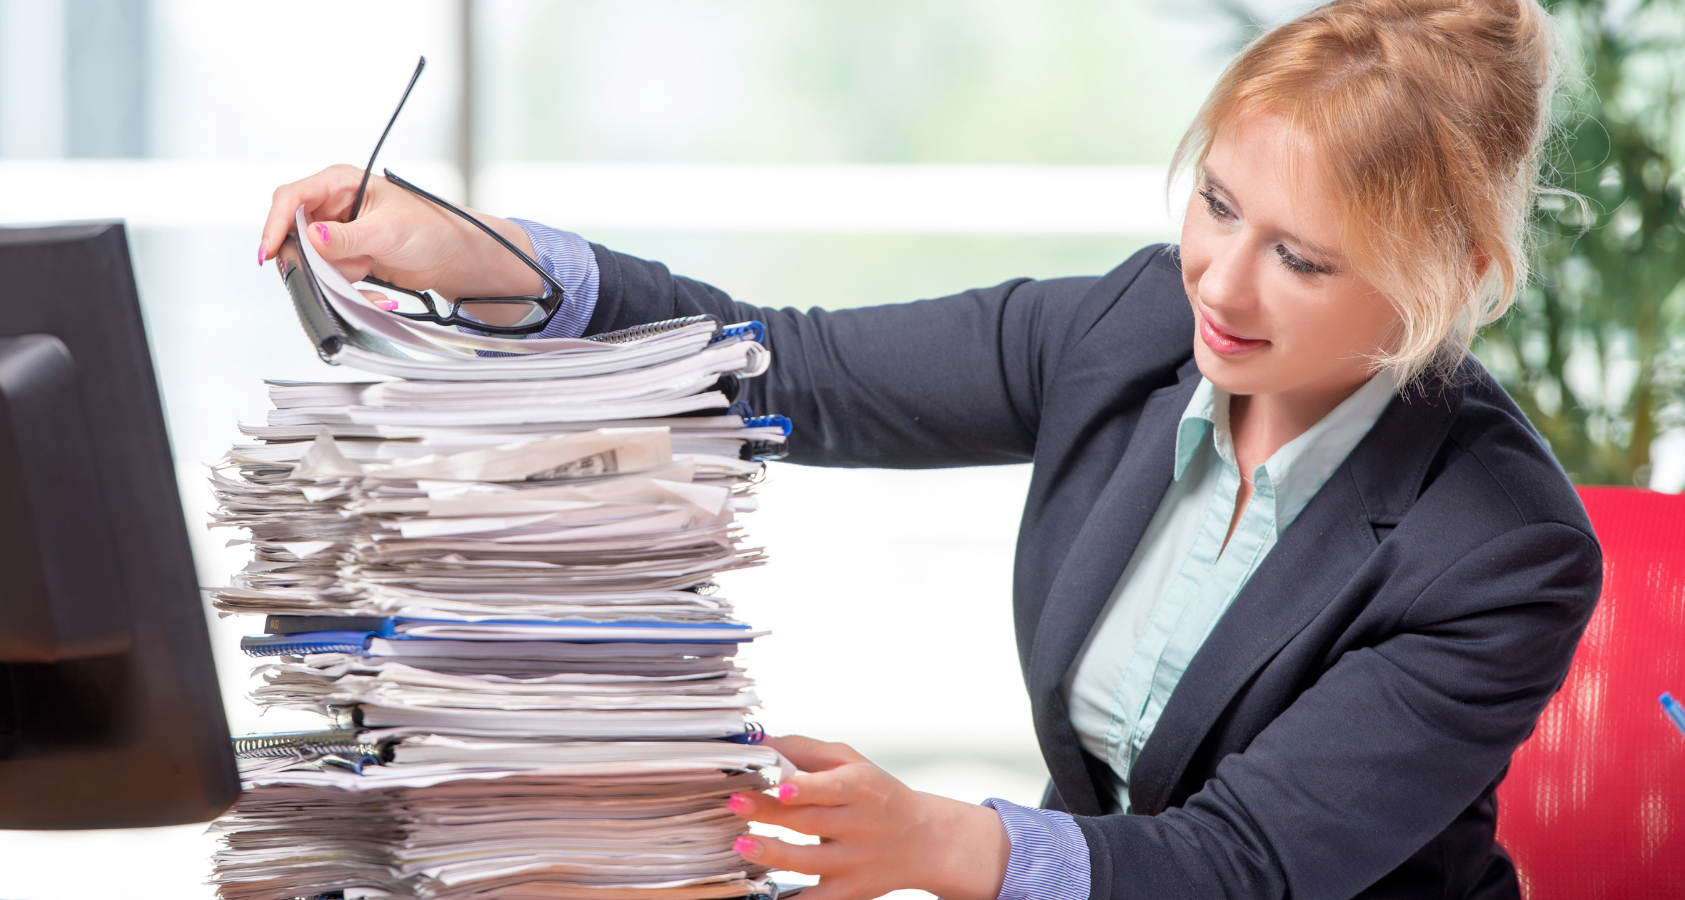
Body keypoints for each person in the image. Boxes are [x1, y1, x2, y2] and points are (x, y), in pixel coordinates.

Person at [254, 0, 1600, 896]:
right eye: (1219, 205)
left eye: (1301, 258)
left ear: (1464, 276)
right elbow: (801, 369)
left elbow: (1244, 865)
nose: (1222, 285)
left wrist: (944, 843)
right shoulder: (1140, 323)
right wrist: (481, 257)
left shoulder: (1499, 547)